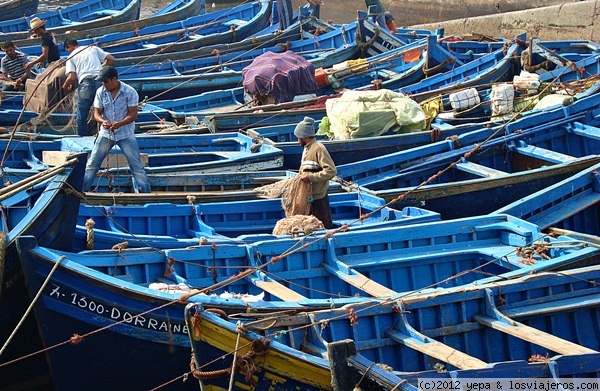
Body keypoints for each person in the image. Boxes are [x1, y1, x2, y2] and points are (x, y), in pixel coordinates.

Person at [82, 66, 151, 193]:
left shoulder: (130, 92)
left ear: (114, 79)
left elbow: (133, 115)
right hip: (106, 134)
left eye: (106, 82)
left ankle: (146, 194)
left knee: (136, 166)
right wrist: (103, 121)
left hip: (126, 134)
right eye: (102, 82)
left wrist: (120, 123)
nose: (104, 85)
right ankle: (81, 192)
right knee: (92, 165)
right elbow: (96, 113)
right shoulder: (100, 92)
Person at [62, 38, 116, 136]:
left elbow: (72, 76)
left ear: (69, 46)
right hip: (101, 81)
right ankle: (107, 134)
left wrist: (65, 86)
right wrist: (101, 67)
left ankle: (82, 137)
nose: (68, 52)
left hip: (86, 84)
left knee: (82, 114)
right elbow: (111, 59)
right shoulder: (92, 48)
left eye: (67, 50)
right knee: (105, 109)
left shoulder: (71, 57)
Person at [294, 116, 336, 229]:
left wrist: (310, 177)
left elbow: (331, 171)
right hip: (309, 197)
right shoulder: (307, 149)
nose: (298, 141)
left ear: (305, 137)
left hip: (319, 197)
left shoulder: (319, 148)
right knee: (311, 227)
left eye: (298, 138)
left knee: (324, 226)